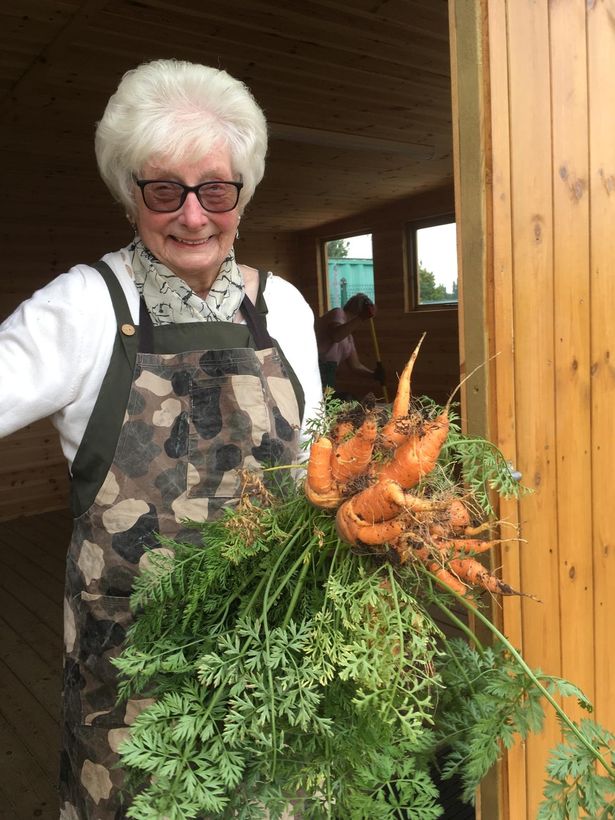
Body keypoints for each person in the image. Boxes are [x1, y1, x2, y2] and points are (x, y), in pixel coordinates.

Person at [0, 59, 322, 818]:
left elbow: (310, 469)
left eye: (215, 189)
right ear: (129, 193)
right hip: (133, 685)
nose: (192, 216)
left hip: (272, 666)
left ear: (242, 191)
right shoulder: (84, 305)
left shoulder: (285, 309)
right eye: (162, 189)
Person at [315, 292, 385, 397]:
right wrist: (361, 317)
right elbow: (336, 336)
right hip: (314, 367)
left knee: (325, 405)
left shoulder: (348, 338)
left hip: (328, 373)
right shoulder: (338, 313)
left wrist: (374, 375)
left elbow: (356, 366)